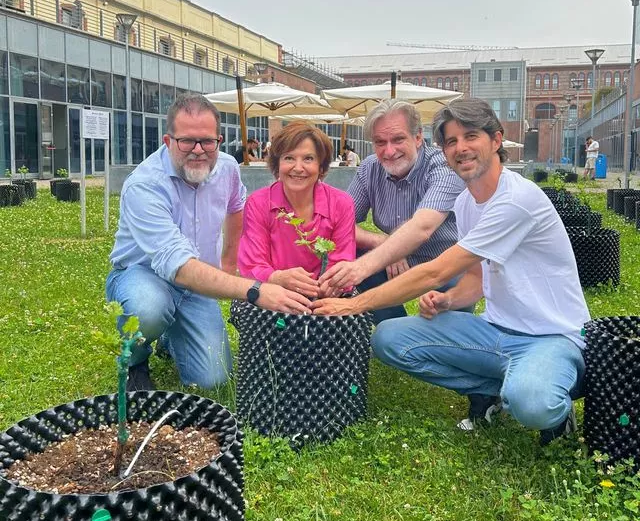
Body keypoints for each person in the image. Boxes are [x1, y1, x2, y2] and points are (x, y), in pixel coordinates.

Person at [312, 99, 589, 445]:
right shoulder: (467, 201)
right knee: (388, 339)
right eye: (451, 141)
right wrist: (448, 300)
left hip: (551, 337)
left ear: (496, 140)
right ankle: (498, 389)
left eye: (470, 136)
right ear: (443, 149)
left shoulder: (516, 199)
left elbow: (435, 268)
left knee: (533, 404)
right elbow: (476, 277)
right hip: (496, 331)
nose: (461, 148)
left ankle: (553, 401)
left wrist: (354, 304)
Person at [107, 93, 312, 392]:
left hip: (197, 281)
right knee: (148, 308)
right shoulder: (144, 186)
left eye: (207, 141)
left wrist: (229, 263)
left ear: (218, 139)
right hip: (144, 274)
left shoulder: (227, 168)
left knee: (214, 378)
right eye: (187, 141)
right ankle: (136, 360)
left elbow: (236, 206)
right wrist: (254, 289)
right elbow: (178, 266)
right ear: (168, 141)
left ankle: (169, 335)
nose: (198, 151)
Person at [319, 99, 465, 323]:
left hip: (445, 264)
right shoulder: (369, 168)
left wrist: (384, 252)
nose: (389, 151)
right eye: (380, 142)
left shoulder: (444, 166)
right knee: (348, 251)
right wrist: (382, 244)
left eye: (398, 139)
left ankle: (441, 325)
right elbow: (338, 225)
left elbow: (423, 227)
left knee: (450, 333)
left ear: (418, 138)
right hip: (393, 264)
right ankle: (392, 322)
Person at [238, 121, 356, 297]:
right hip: (273, 294)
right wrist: (278, 278)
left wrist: (320, 291)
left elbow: (342, 261)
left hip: (328, 296)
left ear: (321, 166)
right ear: (277, 164)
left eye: (308, 159)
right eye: (289, 158)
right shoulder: (258, 203)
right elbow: (252, 264)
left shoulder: (341, 203)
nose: (298, 168)